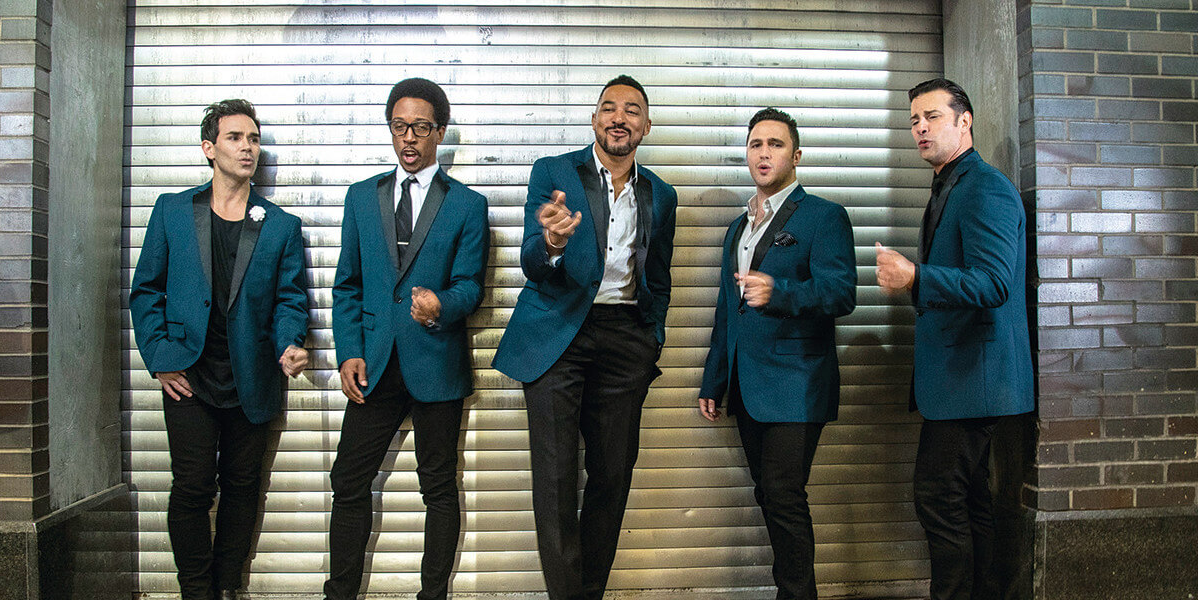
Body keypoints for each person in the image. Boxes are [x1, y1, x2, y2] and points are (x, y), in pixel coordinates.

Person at [491, 74, 677, 600]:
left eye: (632, 110)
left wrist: (652, 337)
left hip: (625, 339)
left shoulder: (662, 195)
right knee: (555, 479)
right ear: (595, 120)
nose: (620, 117)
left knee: (612, 476)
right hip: (558, 336)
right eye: (609, 108)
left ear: (646, 126)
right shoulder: (553, 172)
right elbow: (531, 262)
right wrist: (551, 242)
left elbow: (658, 277)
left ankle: (589, 591)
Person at [130, 98, 310, 600]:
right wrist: (161, 360)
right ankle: (196, 591)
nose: (247, 147)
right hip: (189, 376)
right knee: (191, 486)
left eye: (253, 139)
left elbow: (290, 299)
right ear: (209, 148)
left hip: (251, 377)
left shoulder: (280, 225)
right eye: (235, 138)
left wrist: (290, 344)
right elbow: (146, 291)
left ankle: (228, 587)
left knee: (241, 487)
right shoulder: (172, 211)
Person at [326, 77, 489, 600]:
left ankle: (432, 596)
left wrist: (442, 304)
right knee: (348, 481)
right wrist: (349, 352)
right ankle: (339, 594)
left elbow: (471, 286)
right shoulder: (361, 197)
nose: (409, 138)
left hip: (435, 363)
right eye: (400, 127)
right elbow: (347, 285)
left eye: (420, 127)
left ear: (440, 132)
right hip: (373, 365)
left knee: (438, 488)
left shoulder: (467, 204)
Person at [874, 78, 1034, 600]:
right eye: (914, 121)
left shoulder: (984, 187)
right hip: (960, 382)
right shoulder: (950, 185)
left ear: (965, 121)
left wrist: (915, 277)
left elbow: (994, 283)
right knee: (969, 505)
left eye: (932, 117)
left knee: (939, 500)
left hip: (974, 381)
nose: (920, 128)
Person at [697, 107, 856, 599]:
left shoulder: (824, 216)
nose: (764, 153)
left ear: (796, 155)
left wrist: (780, 292)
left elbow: (841, 293)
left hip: (797, 382)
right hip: (747, 385)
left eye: (775, 144)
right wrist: (714, 379)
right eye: (756, 145)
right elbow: (727, 309)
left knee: (785, 496)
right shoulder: (737, 228)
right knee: (768, 494)